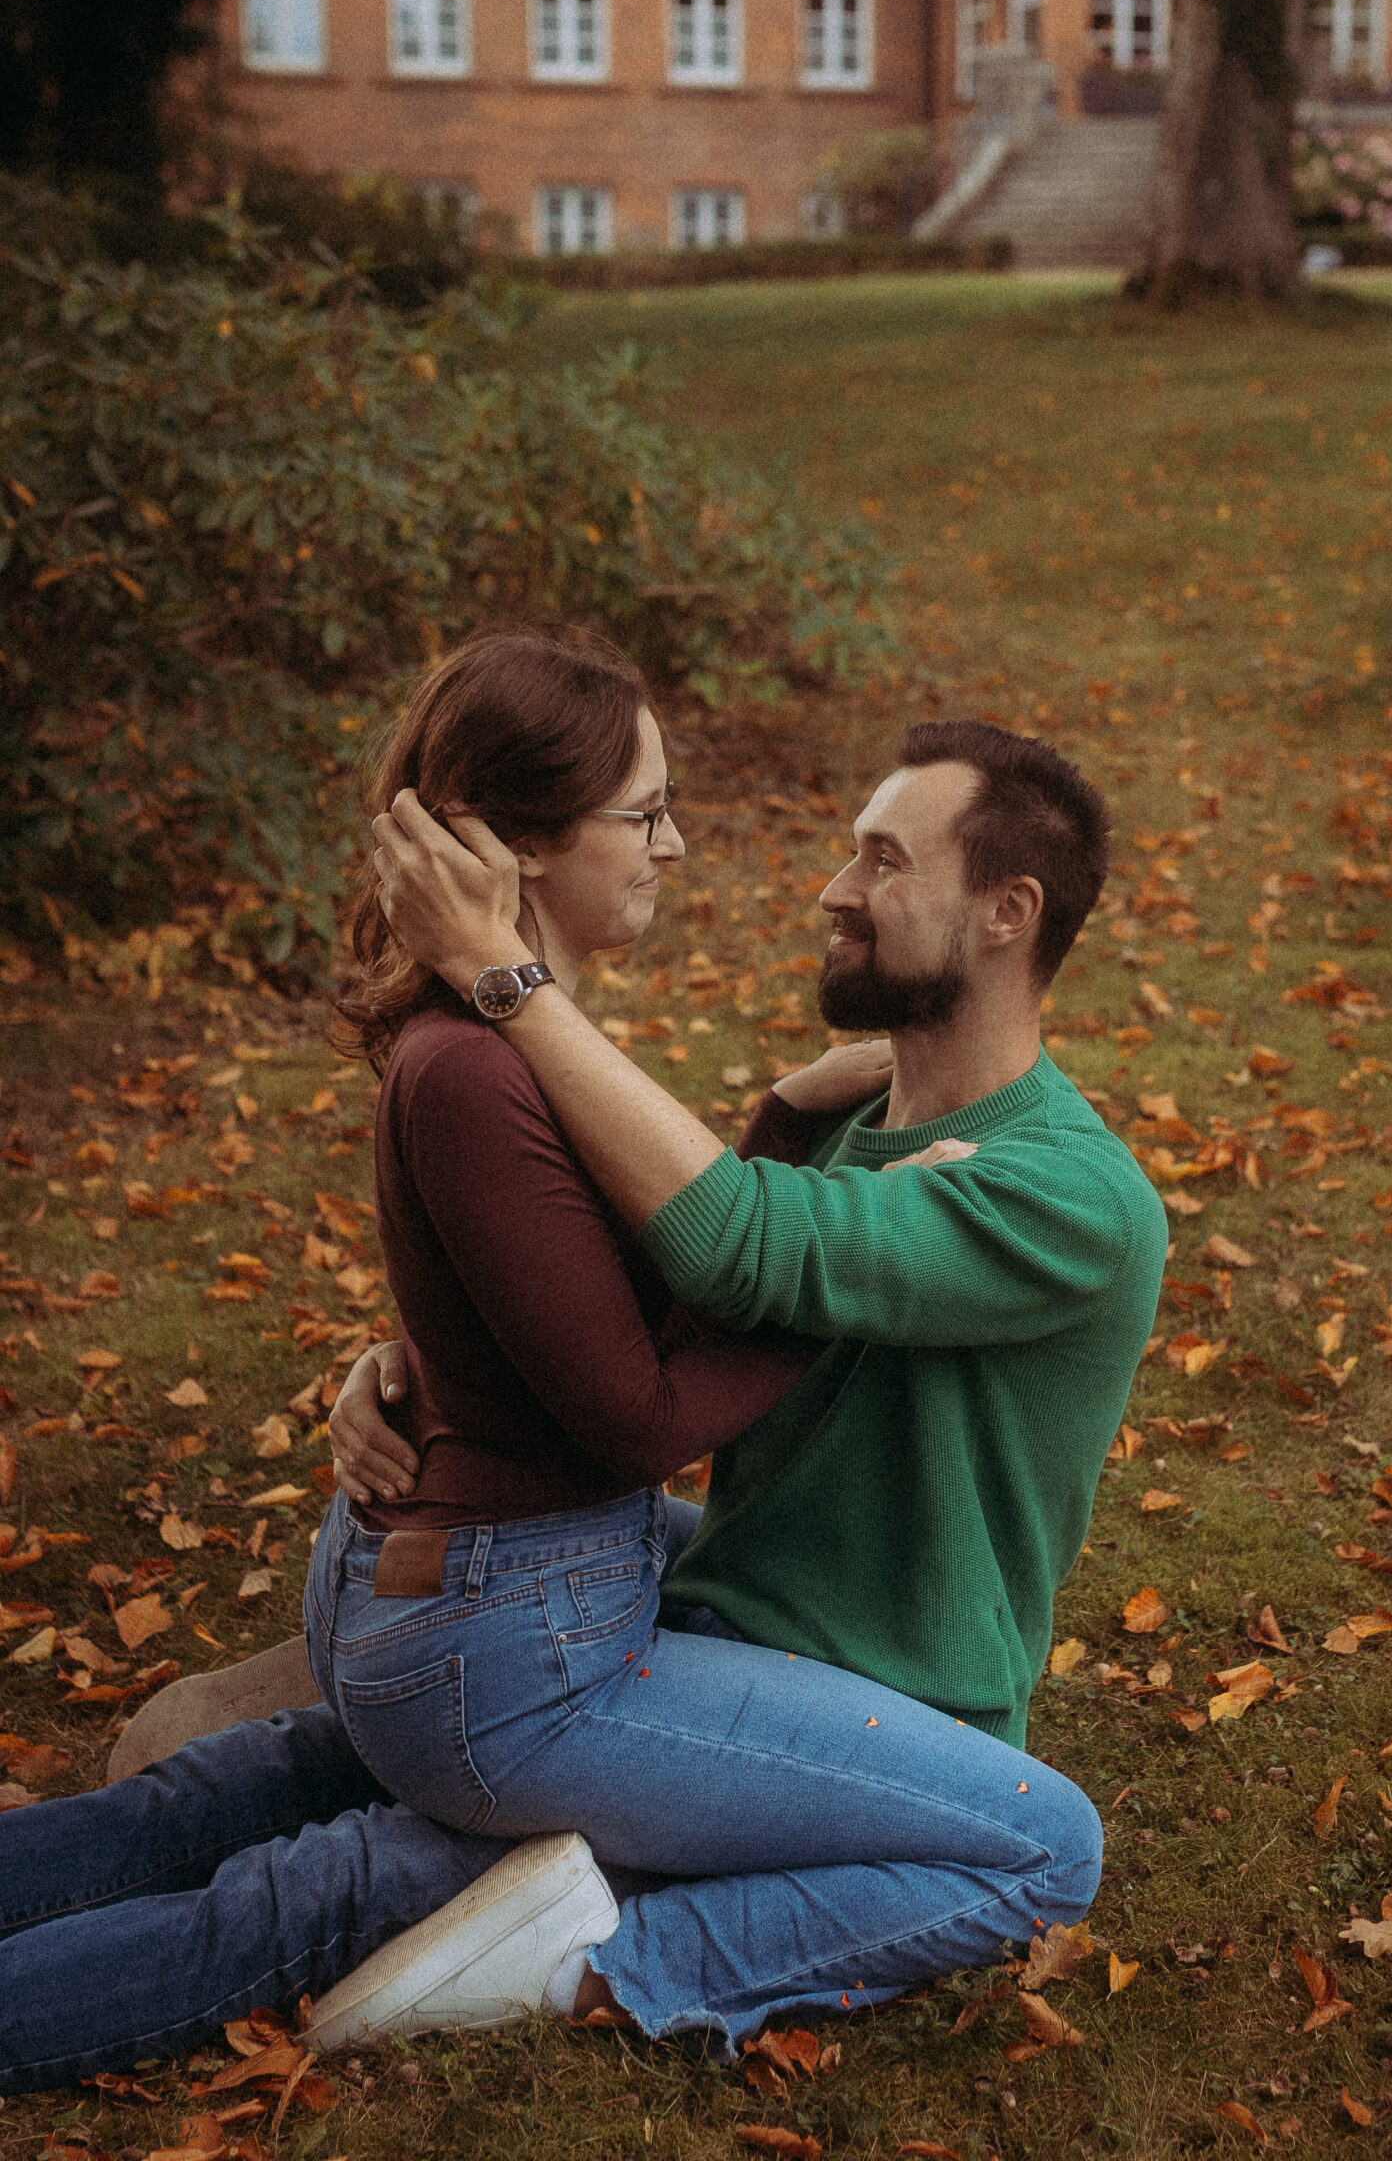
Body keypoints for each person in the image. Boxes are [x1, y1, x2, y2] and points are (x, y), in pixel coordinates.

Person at [0, 683, 1164, 2089]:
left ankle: (592, 1966)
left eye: (881, 859)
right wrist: (418, 1375)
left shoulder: (1061, 1194)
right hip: (713, 1595)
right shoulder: (861, 1119)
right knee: (322, 1795)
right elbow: (657, 1301)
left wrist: (512, 978)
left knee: (1045, 1845)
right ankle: (569, 1939)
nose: (828, 887)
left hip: (882, 1684)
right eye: (852, 847)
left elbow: (732, 1258)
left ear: (1007, 914)